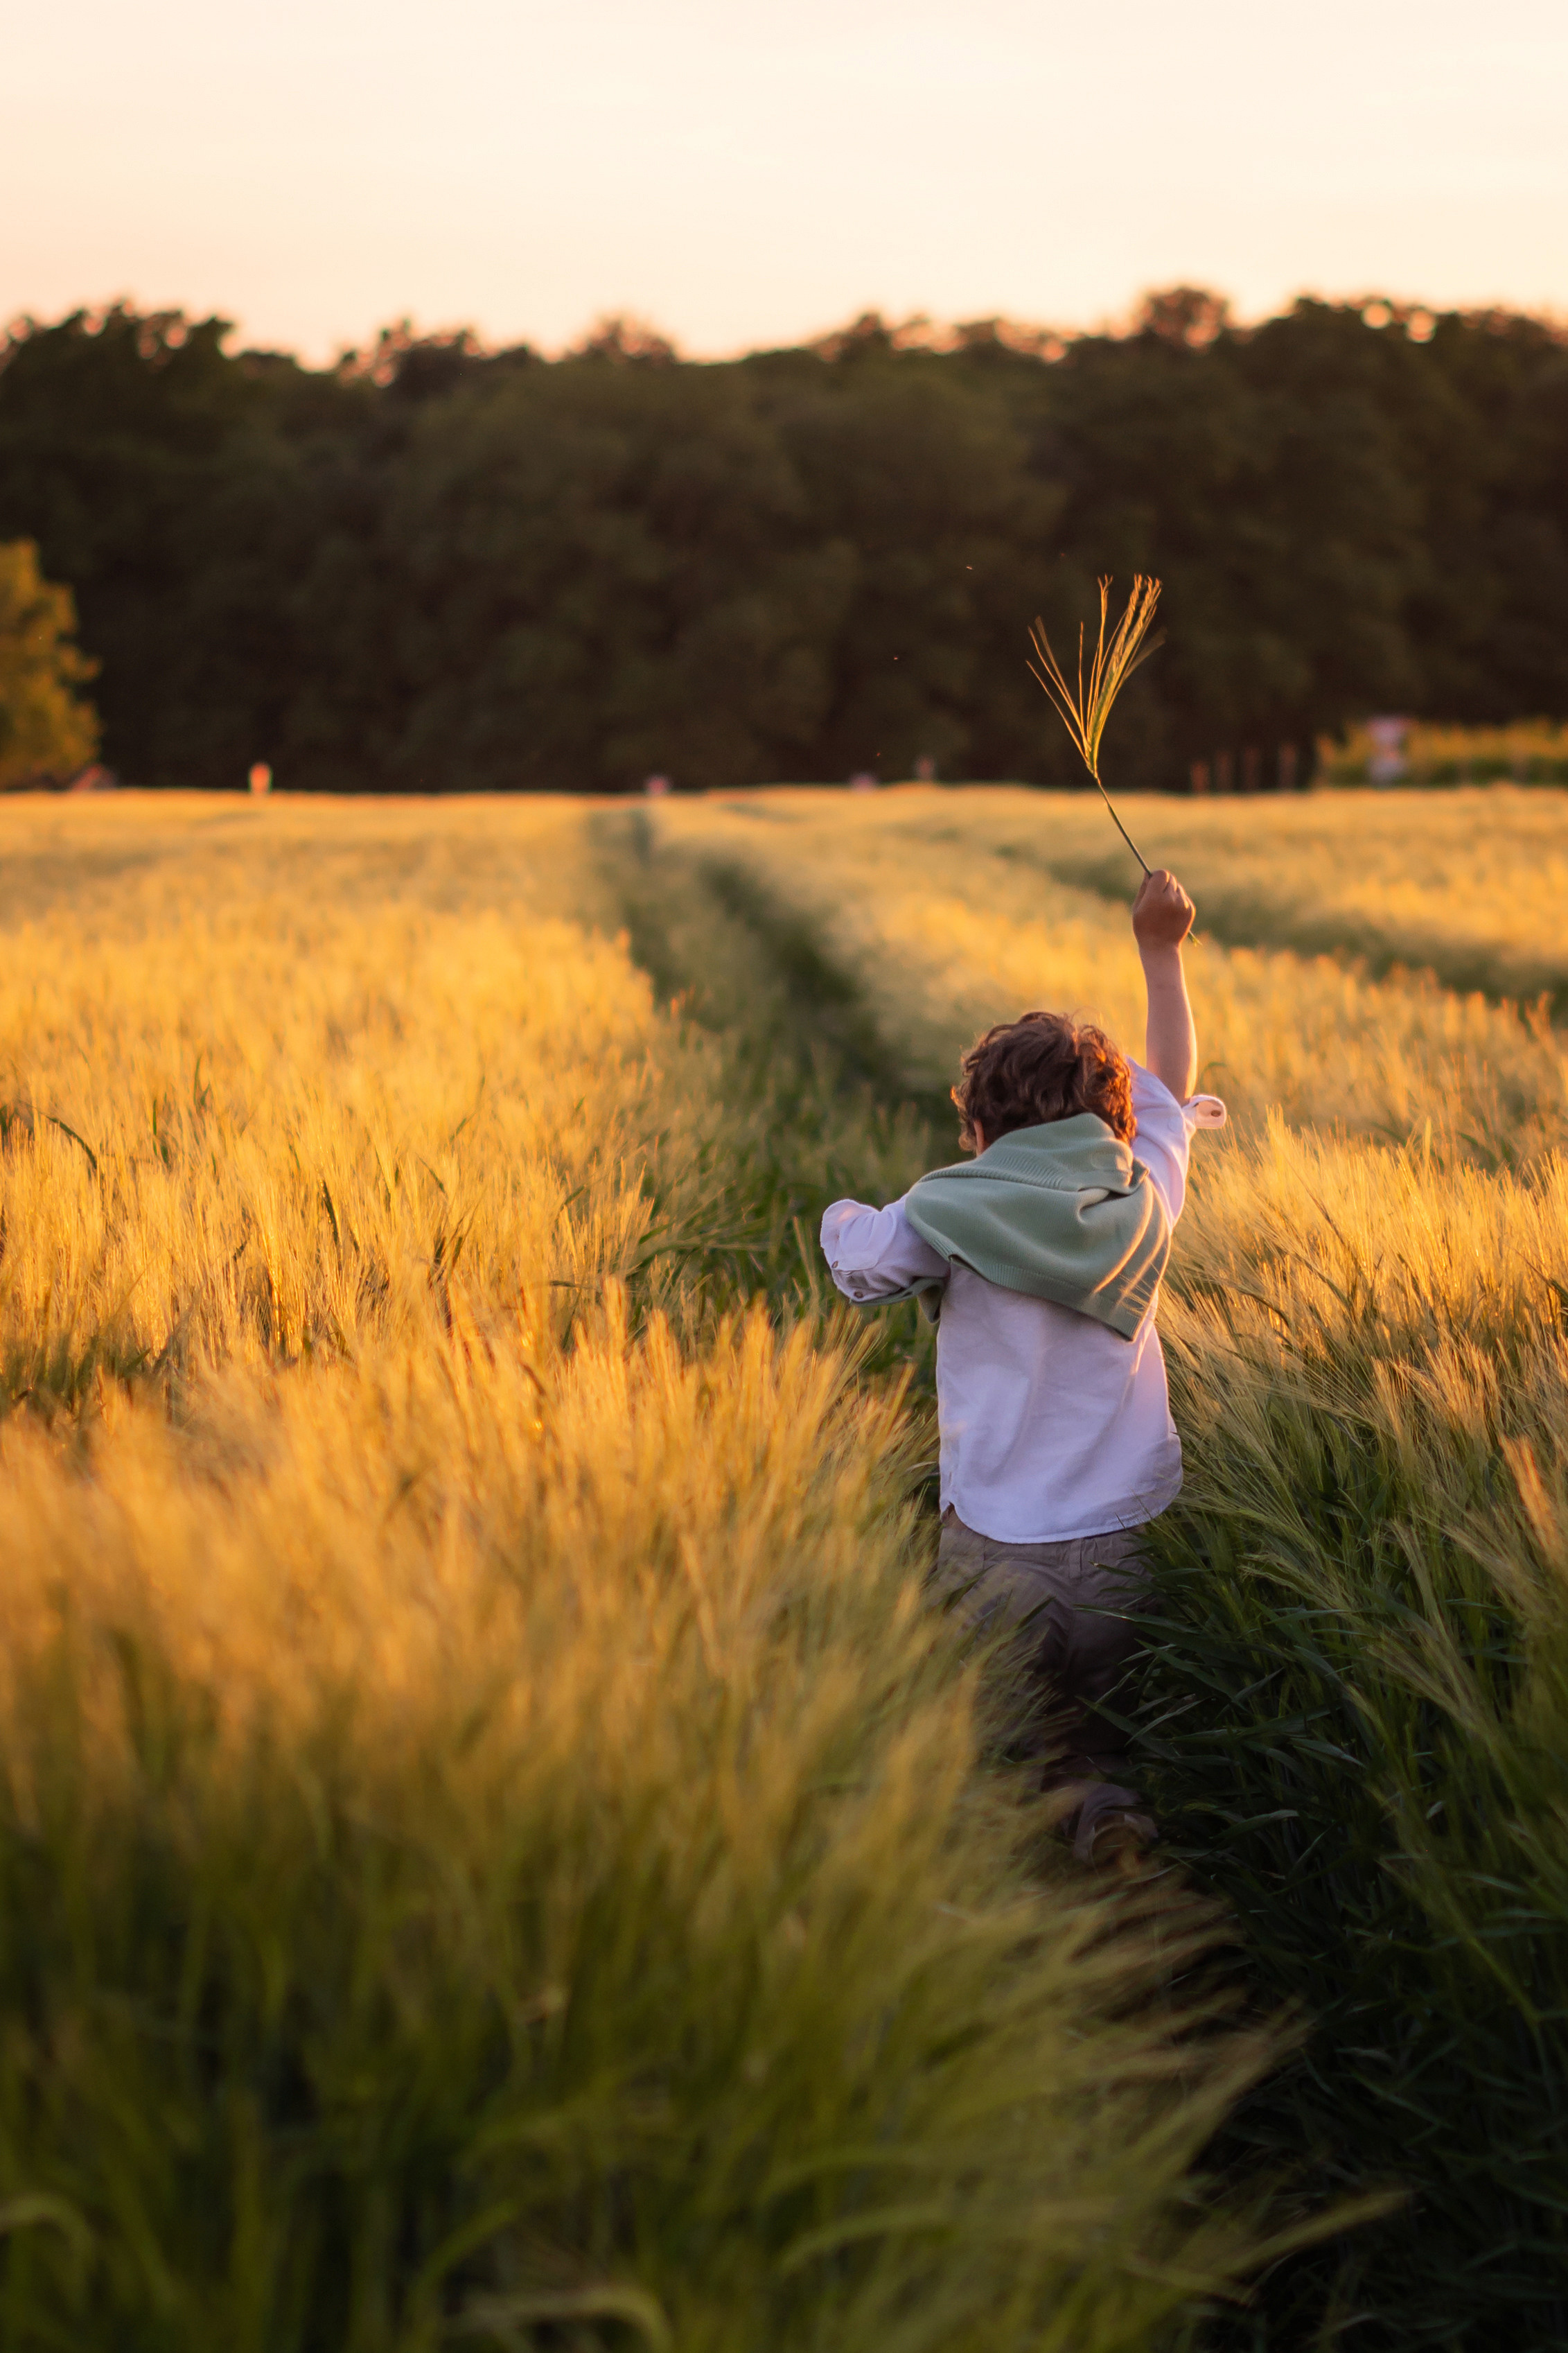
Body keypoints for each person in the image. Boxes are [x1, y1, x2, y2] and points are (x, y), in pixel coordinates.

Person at [819, 869, 1222, 1871]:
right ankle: (1109, 1815)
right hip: (1129, 1541)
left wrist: (843, 1217)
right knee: (1105, 1721)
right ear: (1113, 1124)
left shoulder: (944, 1209)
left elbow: (863, 1272)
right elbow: (1169, 1081)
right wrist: (1162, 952)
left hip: (999, 1547)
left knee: (999, 1745)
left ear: (981, 1126)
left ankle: (1033, 1893)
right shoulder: (1144, 1193)